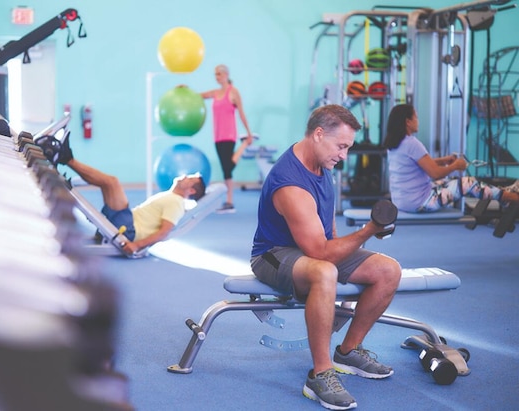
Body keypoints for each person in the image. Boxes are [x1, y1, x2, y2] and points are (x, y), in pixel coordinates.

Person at [250, 104, 402, 410]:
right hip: (272, 255)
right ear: (319, 135)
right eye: (342, 146)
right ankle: (320, 374)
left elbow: (328, 237)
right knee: (324, 272)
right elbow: (319, 253)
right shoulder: (290, 184)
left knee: (388, 270)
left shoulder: (322, 166)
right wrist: (370, 229)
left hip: (311, 247)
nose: (344, 155)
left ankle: (348, 351)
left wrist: (363, 239)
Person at [37, 133, 207, 255]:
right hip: (127, 221)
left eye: (189, 178)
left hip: (128, 230)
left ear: (191, 191)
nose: (184, 176)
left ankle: (66, 158)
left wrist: (135, 245)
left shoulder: (176, 202)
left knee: (112, 182)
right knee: (108, 183)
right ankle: (66, 158)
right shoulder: (171, 197)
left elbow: (164, 232)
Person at [384, 104, 519, 213]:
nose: (418, 121)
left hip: (402, 202)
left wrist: (443, 161)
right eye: (416, 118)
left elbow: (418, 164)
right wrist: (454, 166)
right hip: (421, 202)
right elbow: (435, 173)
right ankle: (512, 197)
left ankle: (504, 195)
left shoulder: (395, 143)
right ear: (408, 122)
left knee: (452, 181)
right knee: (468, 183)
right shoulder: (412, 143)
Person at [201, 64, 254, 213]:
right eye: (215, 74)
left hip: (229, 135)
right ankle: (229, 202)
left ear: (226, 75)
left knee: (228, 167)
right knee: (227, 171)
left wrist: (249, 133)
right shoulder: (215, 93)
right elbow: (199, 96)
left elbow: (242, 113)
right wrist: (184, 89)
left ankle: (243, 145)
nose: (217, 77)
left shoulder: (233, 92)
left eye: (219, 74)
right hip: (217, 136)